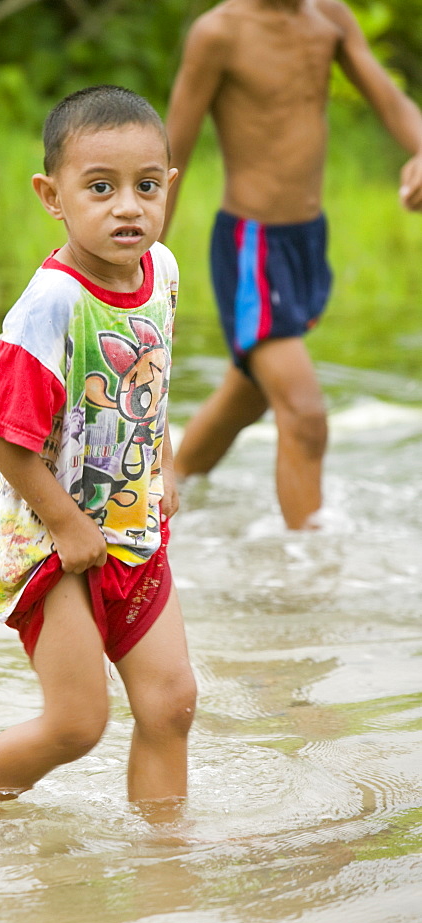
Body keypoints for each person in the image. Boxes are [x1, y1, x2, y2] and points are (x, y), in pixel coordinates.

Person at [0, 85, 197, 816]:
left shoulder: (164, 272)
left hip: (131, 527)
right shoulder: (52, 304)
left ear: (168, 187)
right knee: (76, 724)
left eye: (146, 186)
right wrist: (64, 522)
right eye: (100, 188)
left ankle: (166, 862)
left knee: (172, 702)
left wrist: (166, 463)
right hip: (56, 544)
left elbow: (149, 379)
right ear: (51, 195)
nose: (128, 206)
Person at [164, 0, 422, 529]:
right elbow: (171, 158)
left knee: (249, 395)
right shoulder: (220, 33)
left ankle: (170, 496)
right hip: (252, 247)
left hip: (306, 242)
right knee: (304, 414)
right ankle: (305, 583)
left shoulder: (330, 18)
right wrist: (130, 270)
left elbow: (393, 104)